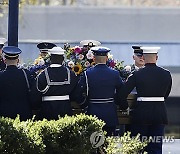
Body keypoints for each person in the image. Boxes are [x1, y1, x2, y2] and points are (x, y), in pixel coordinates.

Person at [120, 47, 172, 153]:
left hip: (141, 114)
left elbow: (121, 94)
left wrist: (125, 107)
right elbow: (166, 95)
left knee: (138, 147)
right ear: (157, 57)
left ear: (143, 57)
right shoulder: (166, 74)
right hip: (159, 114)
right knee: (156, 148)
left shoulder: (137, 74)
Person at [76, 46, 127, 136]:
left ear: (94, 58)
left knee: (93, 143)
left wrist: (83, 104)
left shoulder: (87, 73)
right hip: (110, 113)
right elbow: (122, 91)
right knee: (108, 144)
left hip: (93, 113)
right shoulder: (114, 74)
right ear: (107, 58)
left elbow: (79, 91)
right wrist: (121, 105)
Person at [32, 47, 78, 120]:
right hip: (65, 109)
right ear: (63, 59)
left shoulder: (42, 75)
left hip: (47, 109)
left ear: (50, 59)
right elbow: (75, 93)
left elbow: (36, 95)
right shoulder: (71, 74)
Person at [0, 46, 33, 120]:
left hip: (4, 116)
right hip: (24, 114)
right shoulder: (26, 74)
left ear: (5, 60)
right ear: (18, 61)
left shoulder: (1, 76)